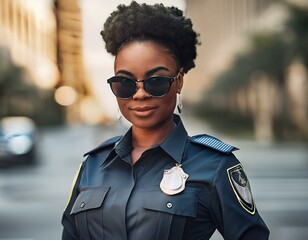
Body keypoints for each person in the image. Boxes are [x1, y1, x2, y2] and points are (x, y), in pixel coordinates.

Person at [61, 1, 270, 239]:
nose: (139, 94)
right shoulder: (92, 166)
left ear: (179, 80)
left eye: (156, 81)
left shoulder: (214, 166)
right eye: (125, 83)